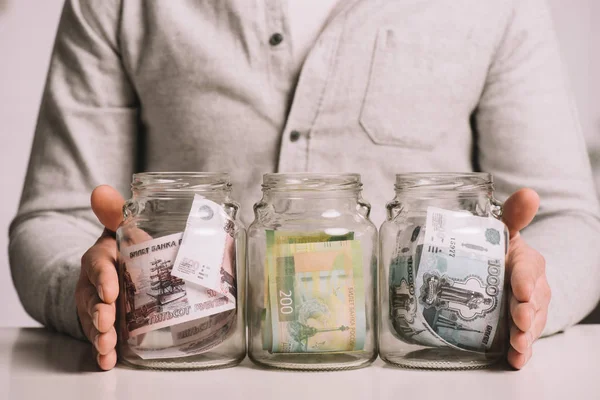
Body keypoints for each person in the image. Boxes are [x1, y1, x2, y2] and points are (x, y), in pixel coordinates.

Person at [9, 0, 599, 371]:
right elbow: (54, 217)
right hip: (185, 368)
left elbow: (572, 220)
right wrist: (85, 292)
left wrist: (532, 293)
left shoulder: (504, 7)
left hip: (426, 373)